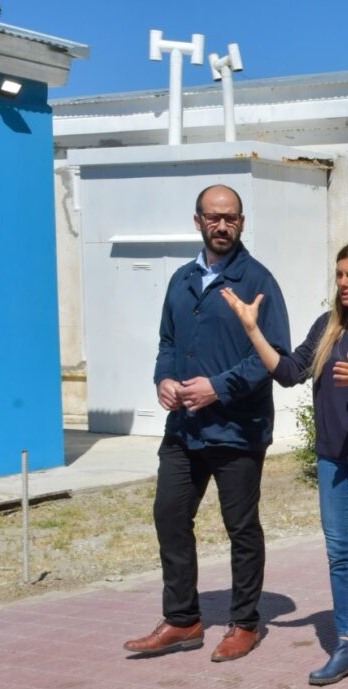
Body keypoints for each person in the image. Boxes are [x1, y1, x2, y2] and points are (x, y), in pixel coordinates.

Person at [221, 240, 348, 684]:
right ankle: (347, 646)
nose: (344, 283)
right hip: (334, 457)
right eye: (339, 275)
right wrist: (252, 329)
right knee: (338, 554)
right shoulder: (329, 325)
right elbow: (287, 372)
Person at [124, 185, 290, 663]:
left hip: (238, 430)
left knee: (241, 527)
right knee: (170, 515)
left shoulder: (257, 280)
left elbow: (273, 356)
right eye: (214, 217)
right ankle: (182, 620)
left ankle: (245, 623)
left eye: (231, 218)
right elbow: (167, 342)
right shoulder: (182, 279)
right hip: (185, 429)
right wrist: (163, 379)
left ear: (241, 223)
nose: (222, 225)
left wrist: (218, 387)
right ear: (197, 221)